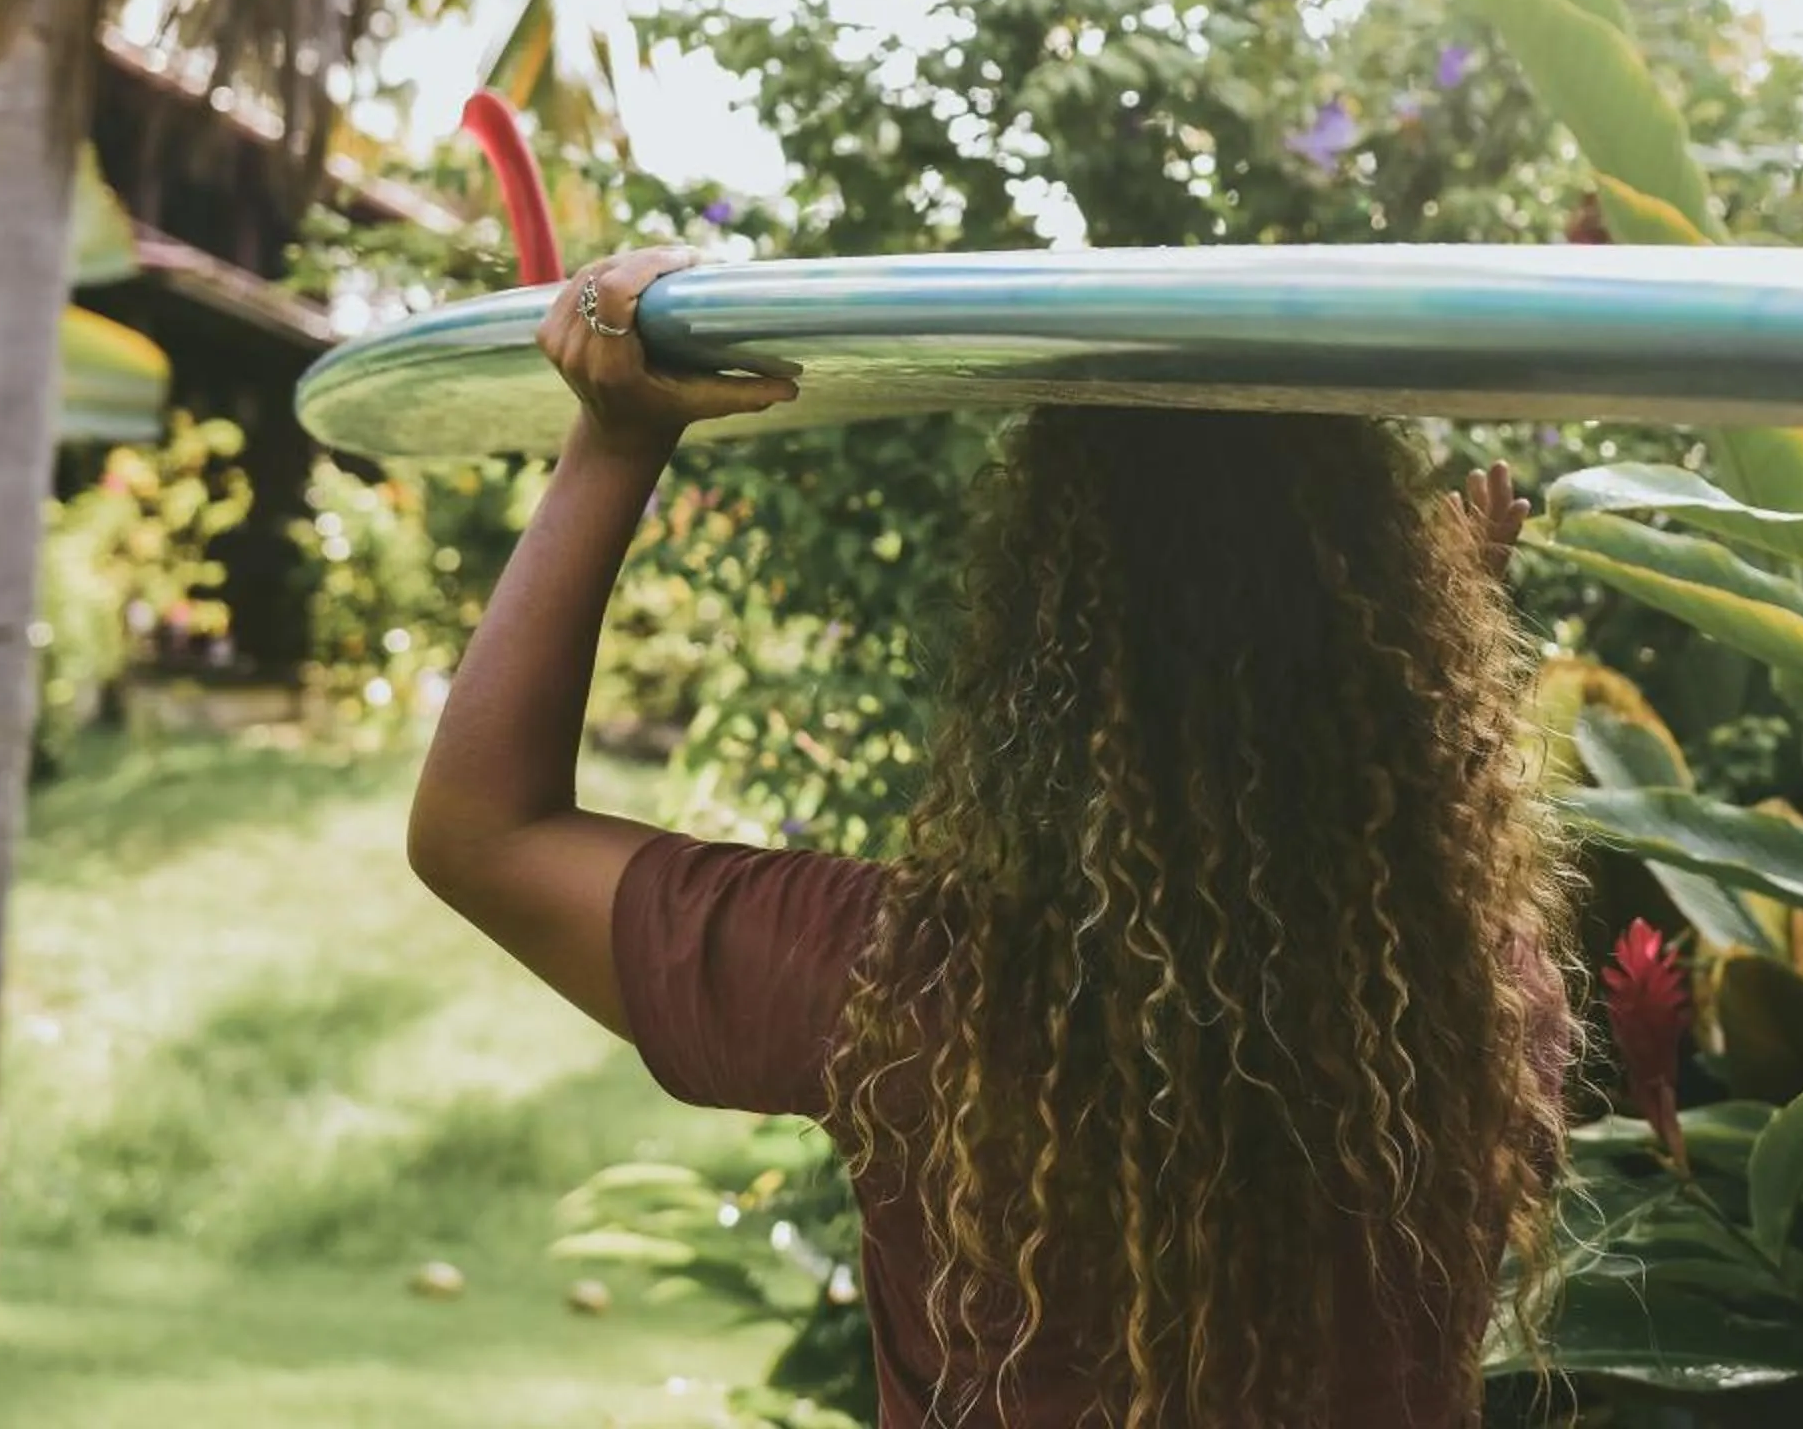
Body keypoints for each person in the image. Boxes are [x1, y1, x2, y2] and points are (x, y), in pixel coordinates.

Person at [409, 247, 1579, 1428]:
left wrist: (612, 449)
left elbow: (479, 828)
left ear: (1043, 656)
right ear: (1391, 650)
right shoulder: (1473, 1005)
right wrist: (1403, 665)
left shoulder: (909, 985)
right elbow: (1343, 819)